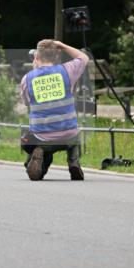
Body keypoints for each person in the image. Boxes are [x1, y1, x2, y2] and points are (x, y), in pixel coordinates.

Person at [20, 38, 88, 181]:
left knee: (34, 144)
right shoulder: (67, 71)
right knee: (76, 137)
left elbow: (27, 103)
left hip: (42, 137)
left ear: (36, 57)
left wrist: (35, 72)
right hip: (68, 135)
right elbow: (83, 57)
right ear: (56, 56)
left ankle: (36, 163)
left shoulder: (27, 79)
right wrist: (62, 45)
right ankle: (73, 162)